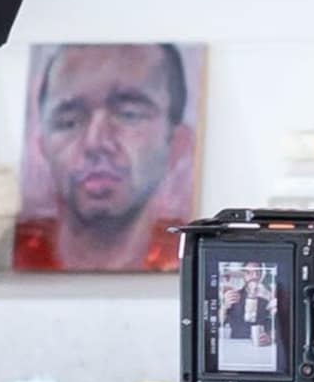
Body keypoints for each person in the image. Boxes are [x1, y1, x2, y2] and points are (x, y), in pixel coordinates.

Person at [15, 40, 198, 273]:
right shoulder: (26, 254)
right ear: (42, 147)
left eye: (129, 115)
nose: (96, 142)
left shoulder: (191, 259)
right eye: (69, 121)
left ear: (178, 144)